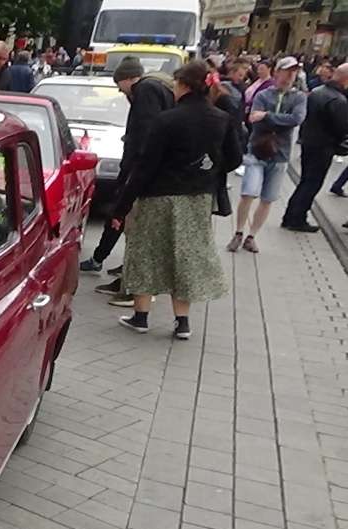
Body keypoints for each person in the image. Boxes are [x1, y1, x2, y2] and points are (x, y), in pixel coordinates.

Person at [111, 61, 242, 340]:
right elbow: (234, 158)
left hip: (159, 197)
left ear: (183, 85)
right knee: (186, 256)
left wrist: (122, 206)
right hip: (198, 198)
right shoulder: (221, 118)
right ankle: (182, 322)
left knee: (146, 253)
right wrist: (207, 170)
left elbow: (145, 166)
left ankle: (141, 316)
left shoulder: (166, 120)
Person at [81, 56, 175, 295]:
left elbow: (145, 130)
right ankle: (106, 260)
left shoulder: (144, 90)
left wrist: (135, 156)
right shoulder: (157, 87)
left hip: (139, 167)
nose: (119, 91)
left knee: (123, 214)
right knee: (124, 215)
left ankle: (125, 276)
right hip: (150, 167)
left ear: (128, 78)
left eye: (118, 84)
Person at [230, 56, 306, 253]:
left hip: (281, 154)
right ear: (277, 72)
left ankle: (251, 236)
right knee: (249, 192)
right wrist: (274, 119)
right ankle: (238, 232)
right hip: (257, 150)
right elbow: (254, 118)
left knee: (268, 198)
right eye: (287, 71)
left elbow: (296, 119)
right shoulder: (264, 95)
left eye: (294, 72)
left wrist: (267, 116)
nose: (290, 75)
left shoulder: (299, 97)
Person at [281, 63, 348, 231]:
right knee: (312, 184)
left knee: (305, 181)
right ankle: (297, 218)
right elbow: (341, 127)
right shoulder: (338, 100)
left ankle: (290, 216)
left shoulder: (317, 92)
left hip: (309, 142)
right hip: (323, 147)